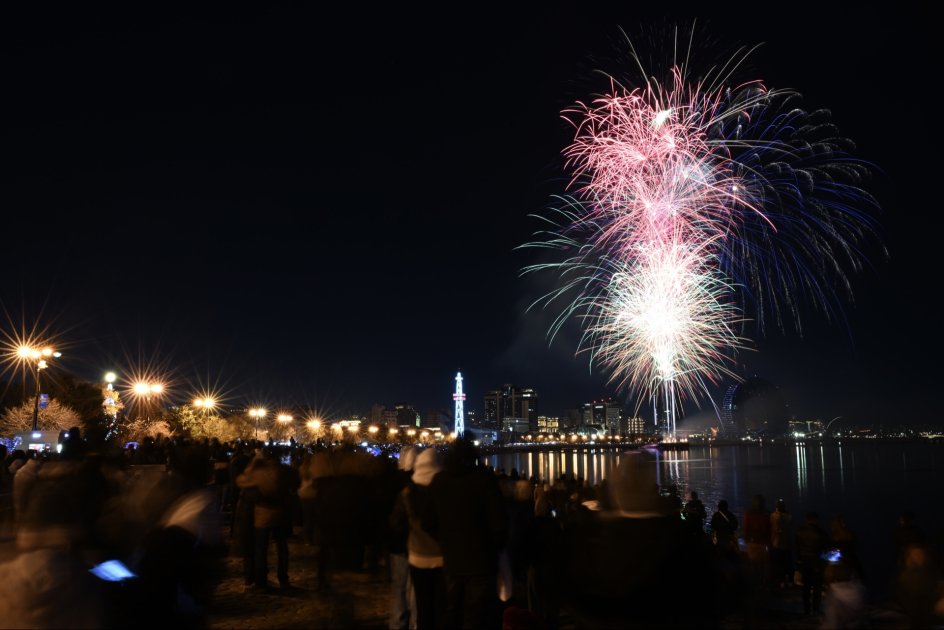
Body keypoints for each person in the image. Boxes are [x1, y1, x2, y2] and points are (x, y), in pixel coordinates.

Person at [423, 438, 508, 629]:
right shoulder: (484, 480)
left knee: (452, 611)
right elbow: (500, 523)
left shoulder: (438, 481)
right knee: (477, 615)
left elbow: (427, 522)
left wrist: (446, 540)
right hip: (481, 561)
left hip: (452, 560)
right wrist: (493, 546)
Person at [393, 449, 446, 630]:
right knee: (440, 607)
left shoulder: (407, 493)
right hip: (441, 558)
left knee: (423, 606)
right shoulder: (443, 491)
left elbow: (395, 523)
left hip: (417, 557)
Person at [236, 450, 295, 590]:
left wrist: (252, 466)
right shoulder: (285, 471)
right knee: (282, 546)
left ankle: (261, 581)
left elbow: (240, 480)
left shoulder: (260, 472)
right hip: (281, 513)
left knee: (261, 549)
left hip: (263, 514)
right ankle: (283, 579)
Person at [795, 511, 829, 616]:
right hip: (817, 562)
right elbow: (826, 549)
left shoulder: (799, 531)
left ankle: (806, 608)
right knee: (817, 586)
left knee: (806, 586)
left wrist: (799, 559)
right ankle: (815, 608)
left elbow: (797, 547)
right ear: (816, 520)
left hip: (805, 561)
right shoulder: (821, 534)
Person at [742, 495, 771, 591]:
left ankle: (756, 584)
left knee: (753, 565)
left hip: (752, 542)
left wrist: (747, 541)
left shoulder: (749, 513)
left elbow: (745, 528)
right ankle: (764, 584)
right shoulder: (767, 514)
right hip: (763, 543)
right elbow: (769, 529)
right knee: (763, 565)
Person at [769, 500, 793, 587]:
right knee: (787, 562)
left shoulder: (772, 516)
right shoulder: (789, 517)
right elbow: (790, 521)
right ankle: (789, 580)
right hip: (786, 543)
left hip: (776, 542)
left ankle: (780, 580)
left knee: (778, 562)